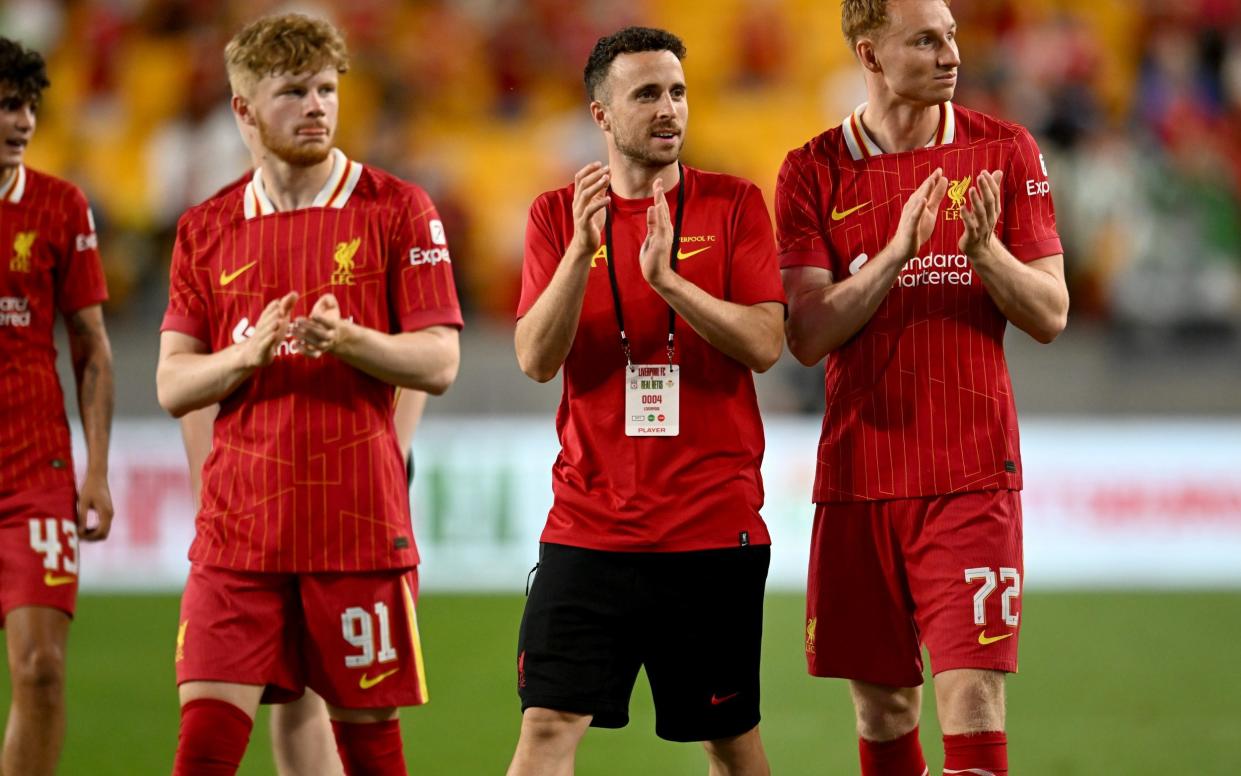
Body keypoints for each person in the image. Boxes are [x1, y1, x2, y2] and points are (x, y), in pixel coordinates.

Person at [155, 13, 461, 776]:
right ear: (244, 109)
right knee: (203, 749)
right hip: (238, 537)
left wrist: (350, 340)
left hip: (355, 526)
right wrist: (243, 356)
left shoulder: (398, 209)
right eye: (293, 91)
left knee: (369, 751)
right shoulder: (206, 227)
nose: (317, 105)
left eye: (326, 88)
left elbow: (439, 360)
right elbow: (171, 382)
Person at [777, 2, 1070, 774]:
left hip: (970, 477)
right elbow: (805, 335)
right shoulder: (812, 169)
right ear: (870, 56)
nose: (950, 53)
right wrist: (896, 254)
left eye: (950, 36)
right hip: (858, 480)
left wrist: (985, 255)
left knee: (972, 704)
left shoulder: (1004, 151)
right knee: (882, 711)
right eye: (926, 40)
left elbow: (1050, 312)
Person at [509, 26, 785, 776]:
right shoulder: (552, 218)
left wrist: (670, 283)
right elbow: (535, 359)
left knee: (730, 743)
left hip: (711, 530)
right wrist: (578, 251)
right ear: (600, 116)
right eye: (646, 94)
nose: (668, 109)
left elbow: (764, 343)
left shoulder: (733, 206)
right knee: (545, 728)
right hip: (588, 530)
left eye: (677, 92)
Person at [179, 388, 425, 776]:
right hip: (260, 482)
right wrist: (207, 496)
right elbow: (189, 374)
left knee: (343, 705)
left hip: (354, 473)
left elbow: (426, 350)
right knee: (297, 696)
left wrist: (391, 452)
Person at [0, 37, 115, 776]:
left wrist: (96, 471)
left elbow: (93, 348)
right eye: (9, 104)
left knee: (40, 669)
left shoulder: (60, 205)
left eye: (30, 106)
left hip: (33, 471)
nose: (24, 121)